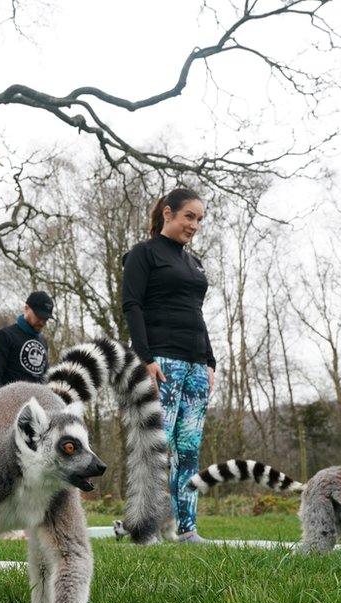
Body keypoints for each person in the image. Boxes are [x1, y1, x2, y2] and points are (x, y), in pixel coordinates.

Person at [121, 188, 215, 544]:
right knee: (158, 449)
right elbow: (132, 306)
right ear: (168, 214)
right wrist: (145, 359)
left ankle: (187, 529)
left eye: (200, 219)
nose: (195, 225)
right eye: (189, 216)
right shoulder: (143, 255)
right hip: (163, 363)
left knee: (189, 451)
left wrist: (210, 362)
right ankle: (149, 529)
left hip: (195, 368)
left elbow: (197, 314)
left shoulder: (194, 263)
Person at [0, 291, 53, 395]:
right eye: (39, 316)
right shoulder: (5, 336)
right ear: (26, 308)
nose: (42, 322)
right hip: (11, 402)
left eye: (46, 318)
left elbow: (45, 377)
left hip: (37, 405)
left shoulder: (43, 341)